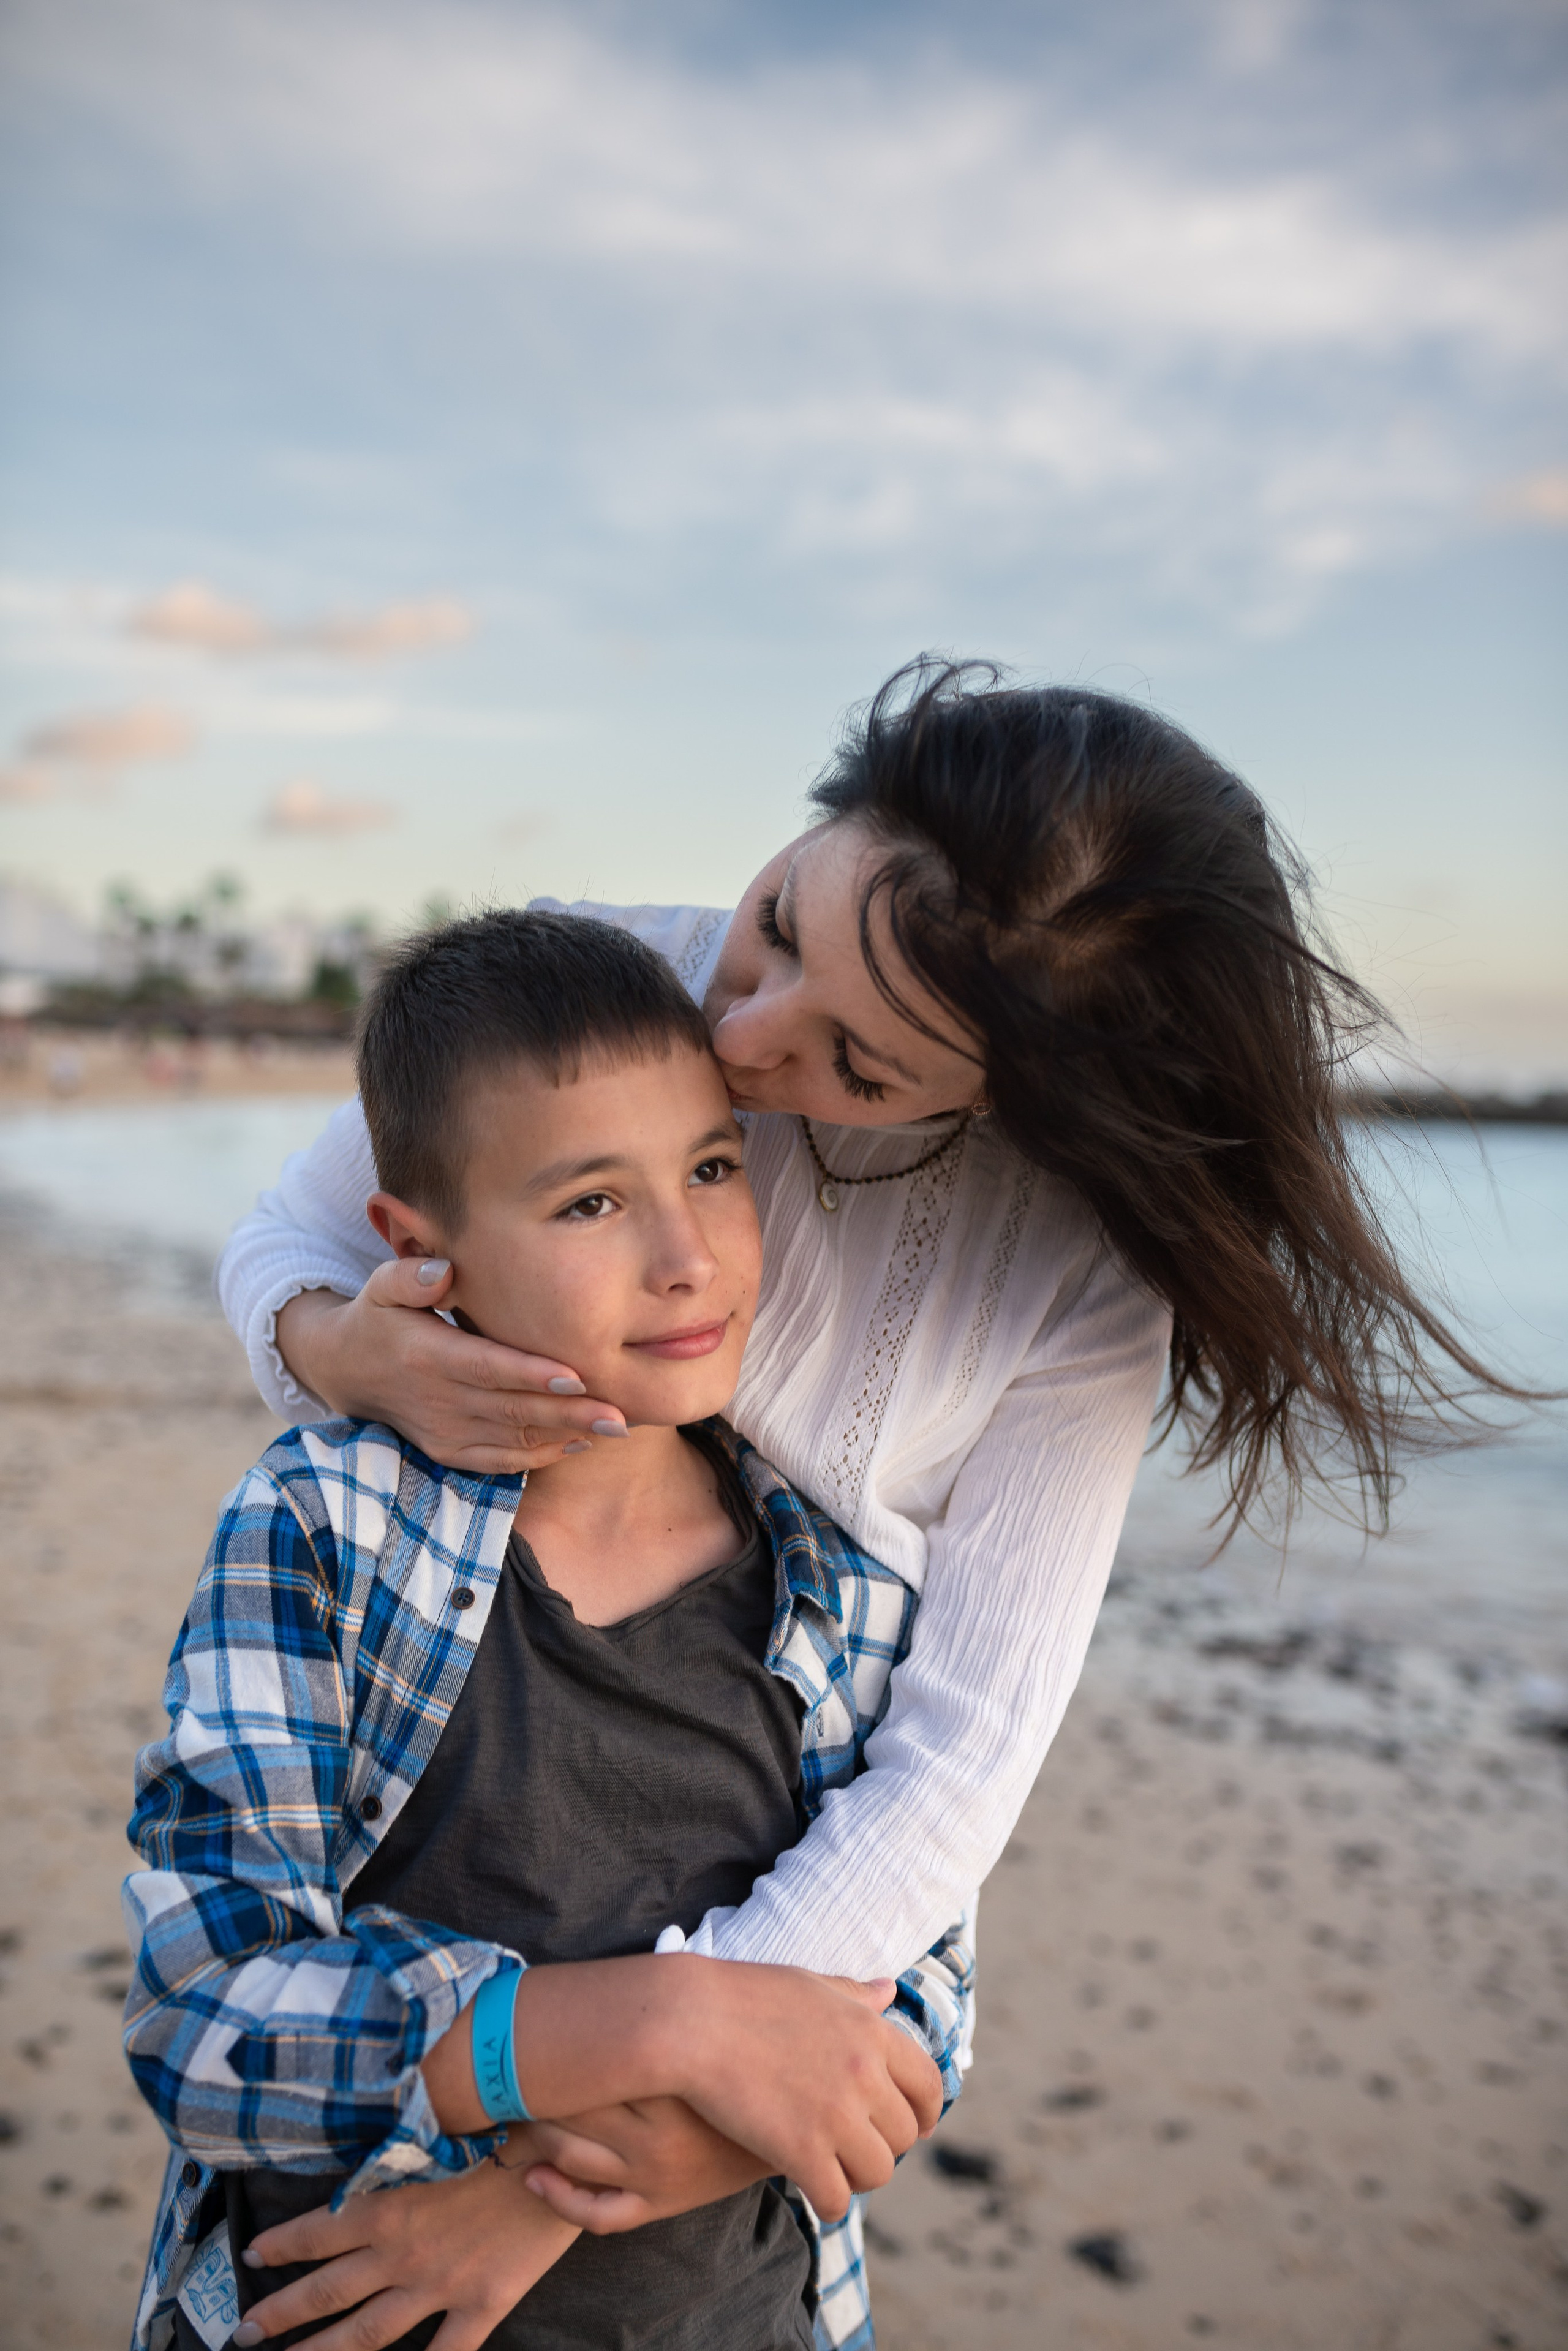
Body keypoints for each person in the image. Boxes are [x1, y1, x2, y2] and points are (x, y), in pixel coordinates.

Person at [216, 662, 1512, 2314]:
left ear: (1007, 1099)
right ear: (828, 814)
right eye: (780, 923)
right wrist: (350, 1354)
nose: (744, 1036)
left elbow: (958, 1757)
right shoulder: (615, 983)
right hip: (465, 1778)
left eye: (860, 1062)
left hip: (764, 1945)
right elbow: (293, 1240)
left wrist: (578, 2169)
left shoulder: (1071, 1282)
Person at [126, 910, 961, 2351]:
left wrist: (553, 2179)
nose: (687, 1255)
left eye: (710, 1168)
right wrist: (664, 2019)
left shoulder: (845, 1592)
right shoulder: (325, 1524)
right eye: (589, 1202)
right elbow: (207, 2018)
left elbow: (912, 2026)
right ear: (416, 1246)